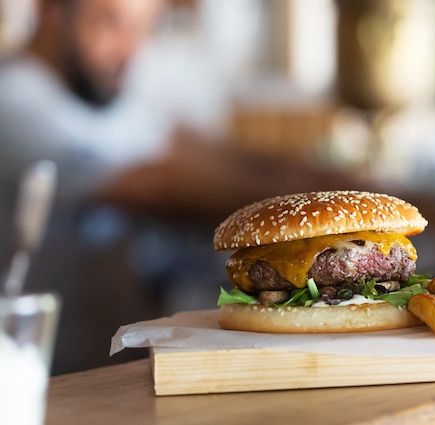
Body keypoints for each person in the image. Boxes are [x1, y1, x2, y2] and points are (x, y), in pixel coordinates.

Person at [0, 0, 361, 374]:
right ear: (50, 11)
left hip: (118, 365)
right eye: (110, 22)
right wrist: (309, 202)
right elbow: (161, 187)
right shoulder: (13, 99)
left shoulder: (100, 91)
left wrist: (308, 176)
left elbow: (192, 148)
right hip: (47, 374)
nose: (129, 49)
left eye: (142, 28)